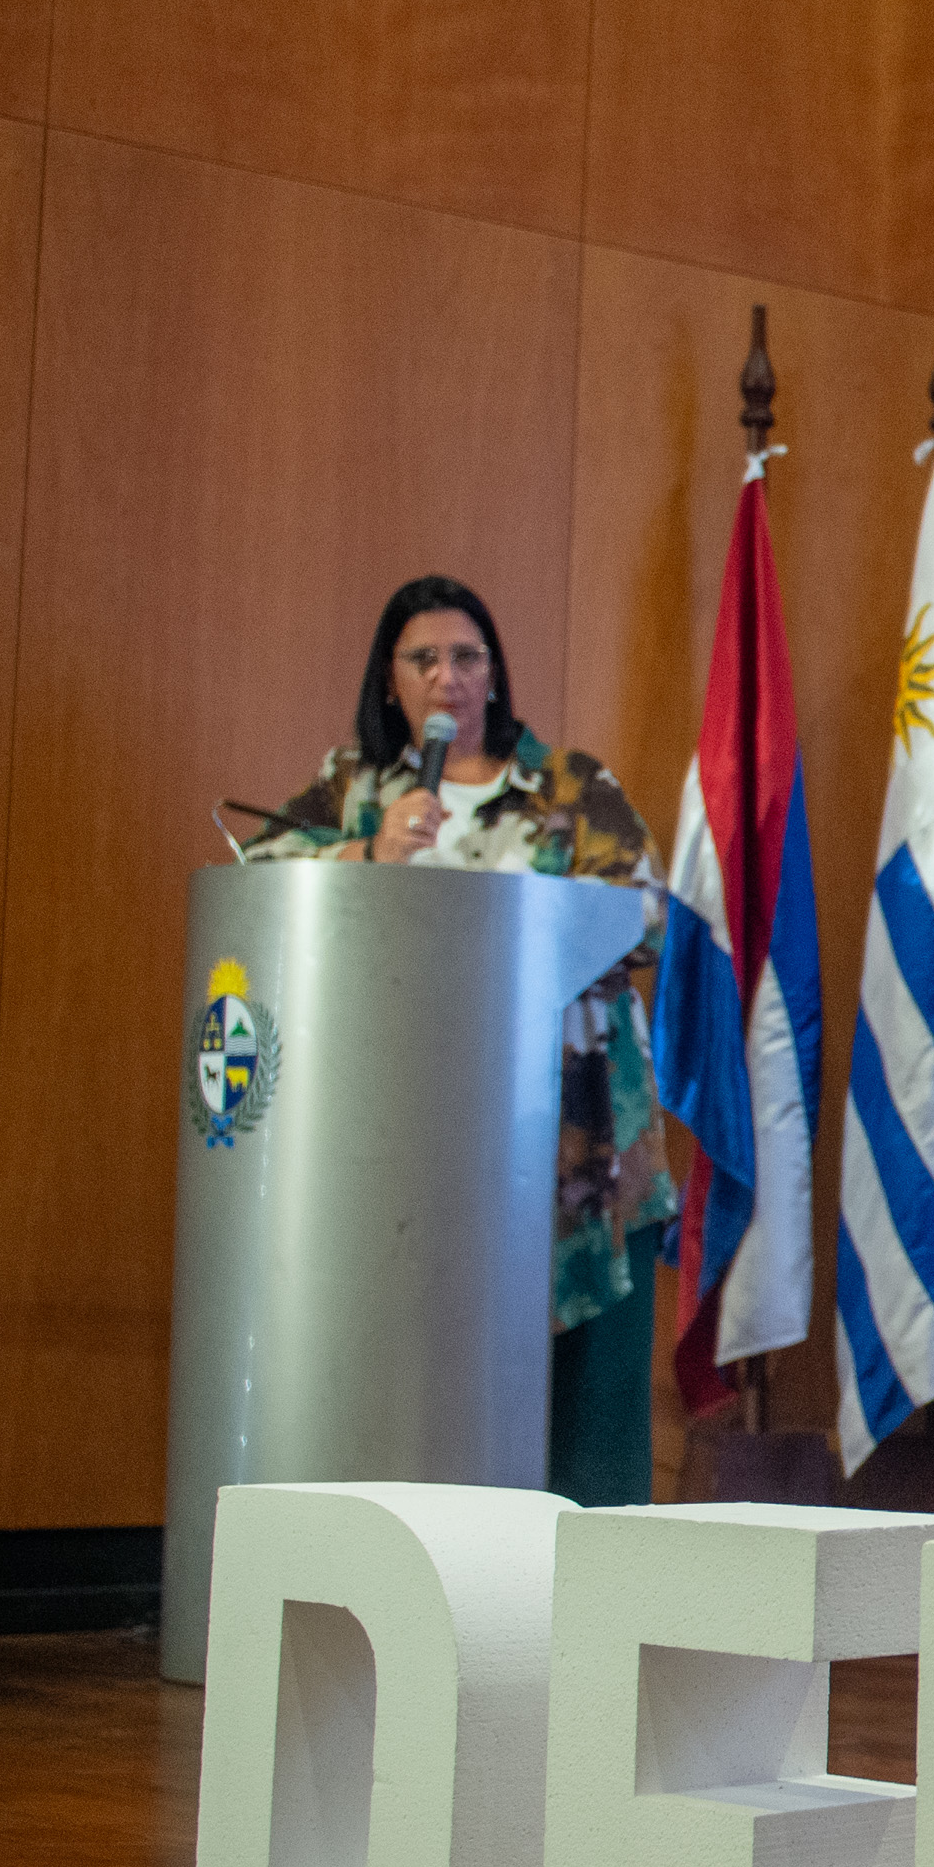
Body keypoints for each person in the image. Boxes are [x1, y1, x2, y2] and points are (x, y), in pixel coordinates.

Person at [245, 576, 675, 1508]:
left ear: (495, 672)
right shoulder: (357, 789)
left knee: (588, 1403)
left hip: (578, 1137)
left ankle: (593, 1608)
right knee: (427, 1385)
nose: (449, 677)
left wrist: (505, 928)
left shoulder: (570, 785)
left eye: (468, 656)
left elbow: (646, 915)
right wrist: (366, 855)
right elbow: (258, 881)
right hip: (407, 1146)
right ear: (390, 680)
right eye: (424, 659)